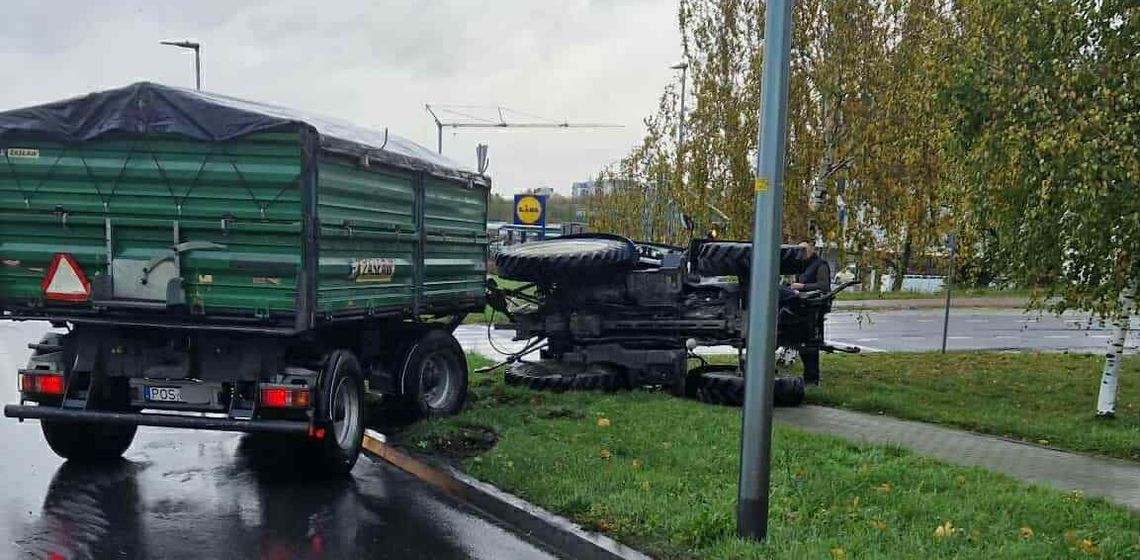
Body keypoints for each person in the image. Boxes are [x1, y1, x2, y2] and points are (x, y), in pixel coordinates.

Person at [790, 242, 830, 385]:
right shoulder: (801, 266)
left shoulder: (820, 265)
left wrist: (802, 287)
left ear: (812, 249)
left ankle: (812, 378)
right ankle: (810, 376)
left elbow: (823, 286)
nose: (801, 252)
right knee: (803, 342)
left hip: (814, 307)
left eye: (804, 249)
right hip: (802, 306)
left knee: (810, 343)